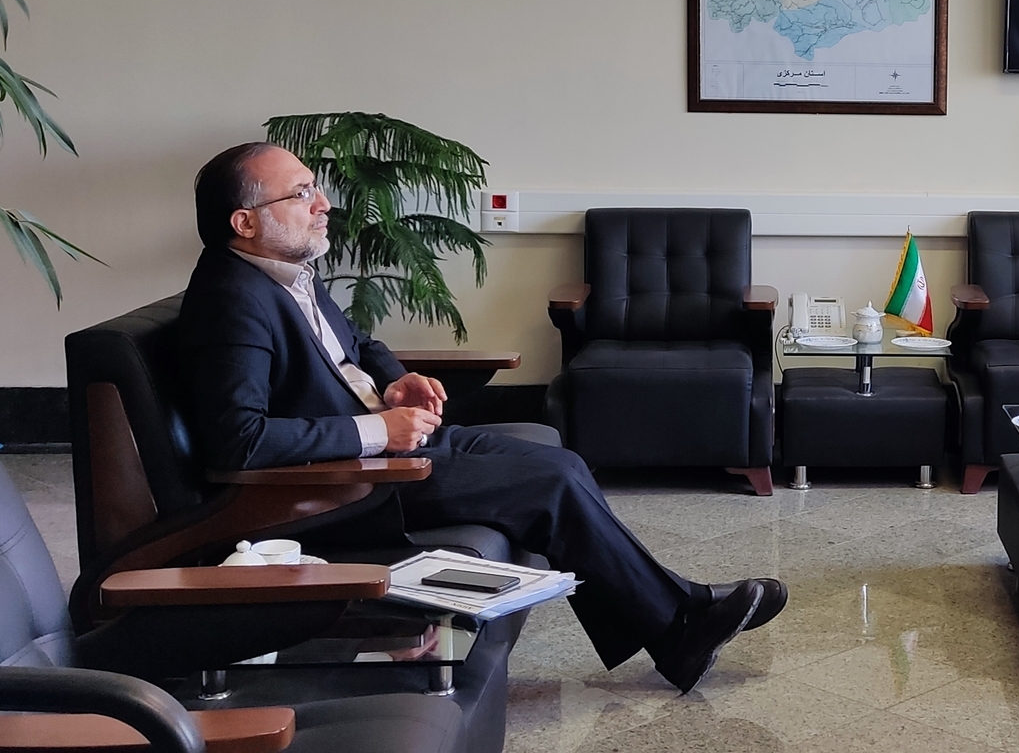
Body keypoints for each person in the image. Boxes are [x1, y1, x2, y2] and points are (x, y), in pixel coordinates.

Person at [178, 141, 787, 694]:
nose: (324, 203)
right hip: (349, 484)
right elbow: (239, 441)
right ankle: (680, 625)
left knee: (562, 462)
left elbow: (356, 345)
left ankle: (681, 616)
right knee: (550, 483)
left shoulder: (285, 275)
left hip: (389, 448)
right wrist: (378, 430)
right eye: (301, 193)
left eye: (316, 187)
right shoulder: (232, 300)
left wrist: (395, 382)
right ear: (245, 222)